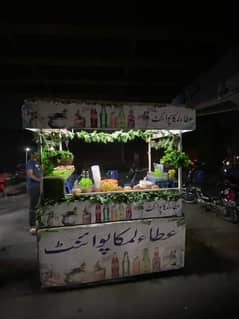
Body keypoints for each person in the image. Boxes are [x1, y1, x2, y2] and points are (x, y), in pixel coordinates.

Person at [26, 150, 41, 235]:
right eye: (36, 153)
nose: (37, 154)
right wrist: (39, 180)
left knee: (39, 205)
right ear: (32, 154)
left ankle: (39, 222)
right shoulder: (30, 162)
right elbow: (30, 174)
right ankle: (32, 226)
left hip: (39, 186)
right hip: (33, 187)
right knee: (33, 206)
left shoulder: (38, 163)